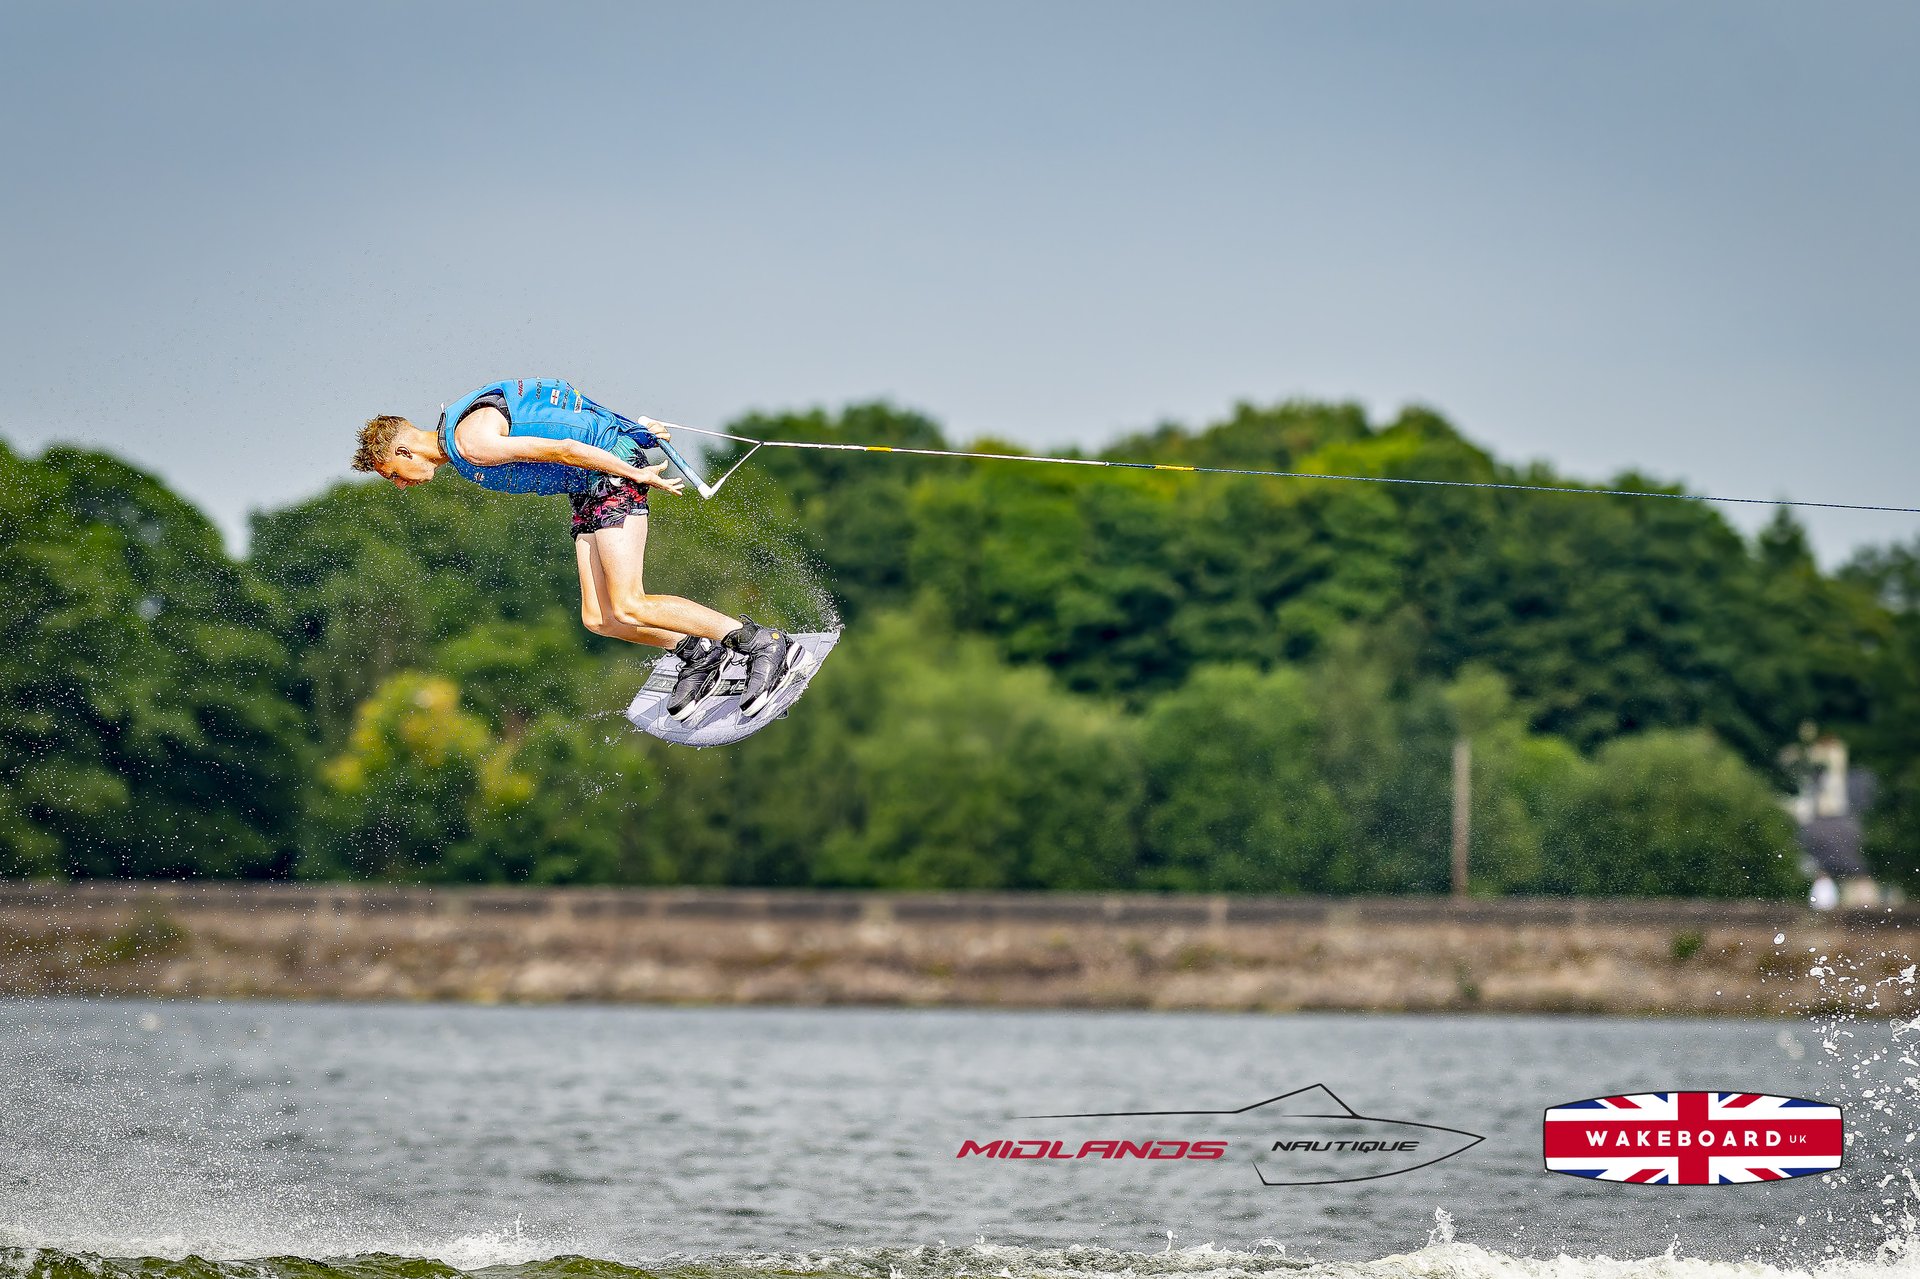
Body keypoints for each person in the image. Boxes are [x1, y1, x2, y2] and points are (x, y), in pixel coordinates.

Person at [350, 377, 797, 718]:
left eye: (392, 473)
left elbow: (563, 446)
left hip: (609, 475)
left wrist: (633, 468)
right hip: (590, 484)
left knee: (630, 602)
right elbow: (564, 406)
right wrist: (635, 432)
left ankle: (761, 643)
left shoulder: (471, 444)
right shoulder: (462, 431)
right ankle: (699, 654)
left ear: (405, 450)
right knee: (599, 618)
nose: (400, 485)